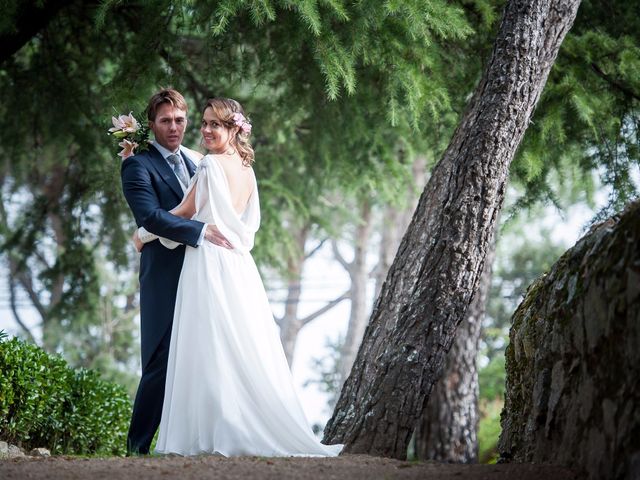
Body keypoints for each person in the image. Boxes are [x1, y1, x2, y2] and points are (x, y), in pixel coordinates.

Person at [134, 97, 343, 457]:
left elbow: (183, 213)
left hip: (208, 263)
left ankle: (219, 429)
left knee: (209, 344)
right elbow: (247, 225)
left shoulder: (211, 165)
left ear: (235, 129)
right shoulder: (247, 168)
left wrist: (142, 234)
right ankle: (234, 422)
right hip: (238, 264)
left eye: (216, 124)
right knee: (237, 342)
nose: (207, 130)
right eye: (205, 123)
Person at [120, 89, 230, 455]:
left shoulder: (200, 159)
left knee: (208, 352)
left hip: (204, 271)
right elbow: (150, 216)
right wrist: (198, 232)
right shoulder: (137, 165)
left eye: (180, 120)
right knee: (160, 360)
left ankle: (204, 441)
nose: (173, 127)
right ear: (151, 125)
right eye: (165, 121)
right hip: (165, 274)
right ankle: (137, 447)